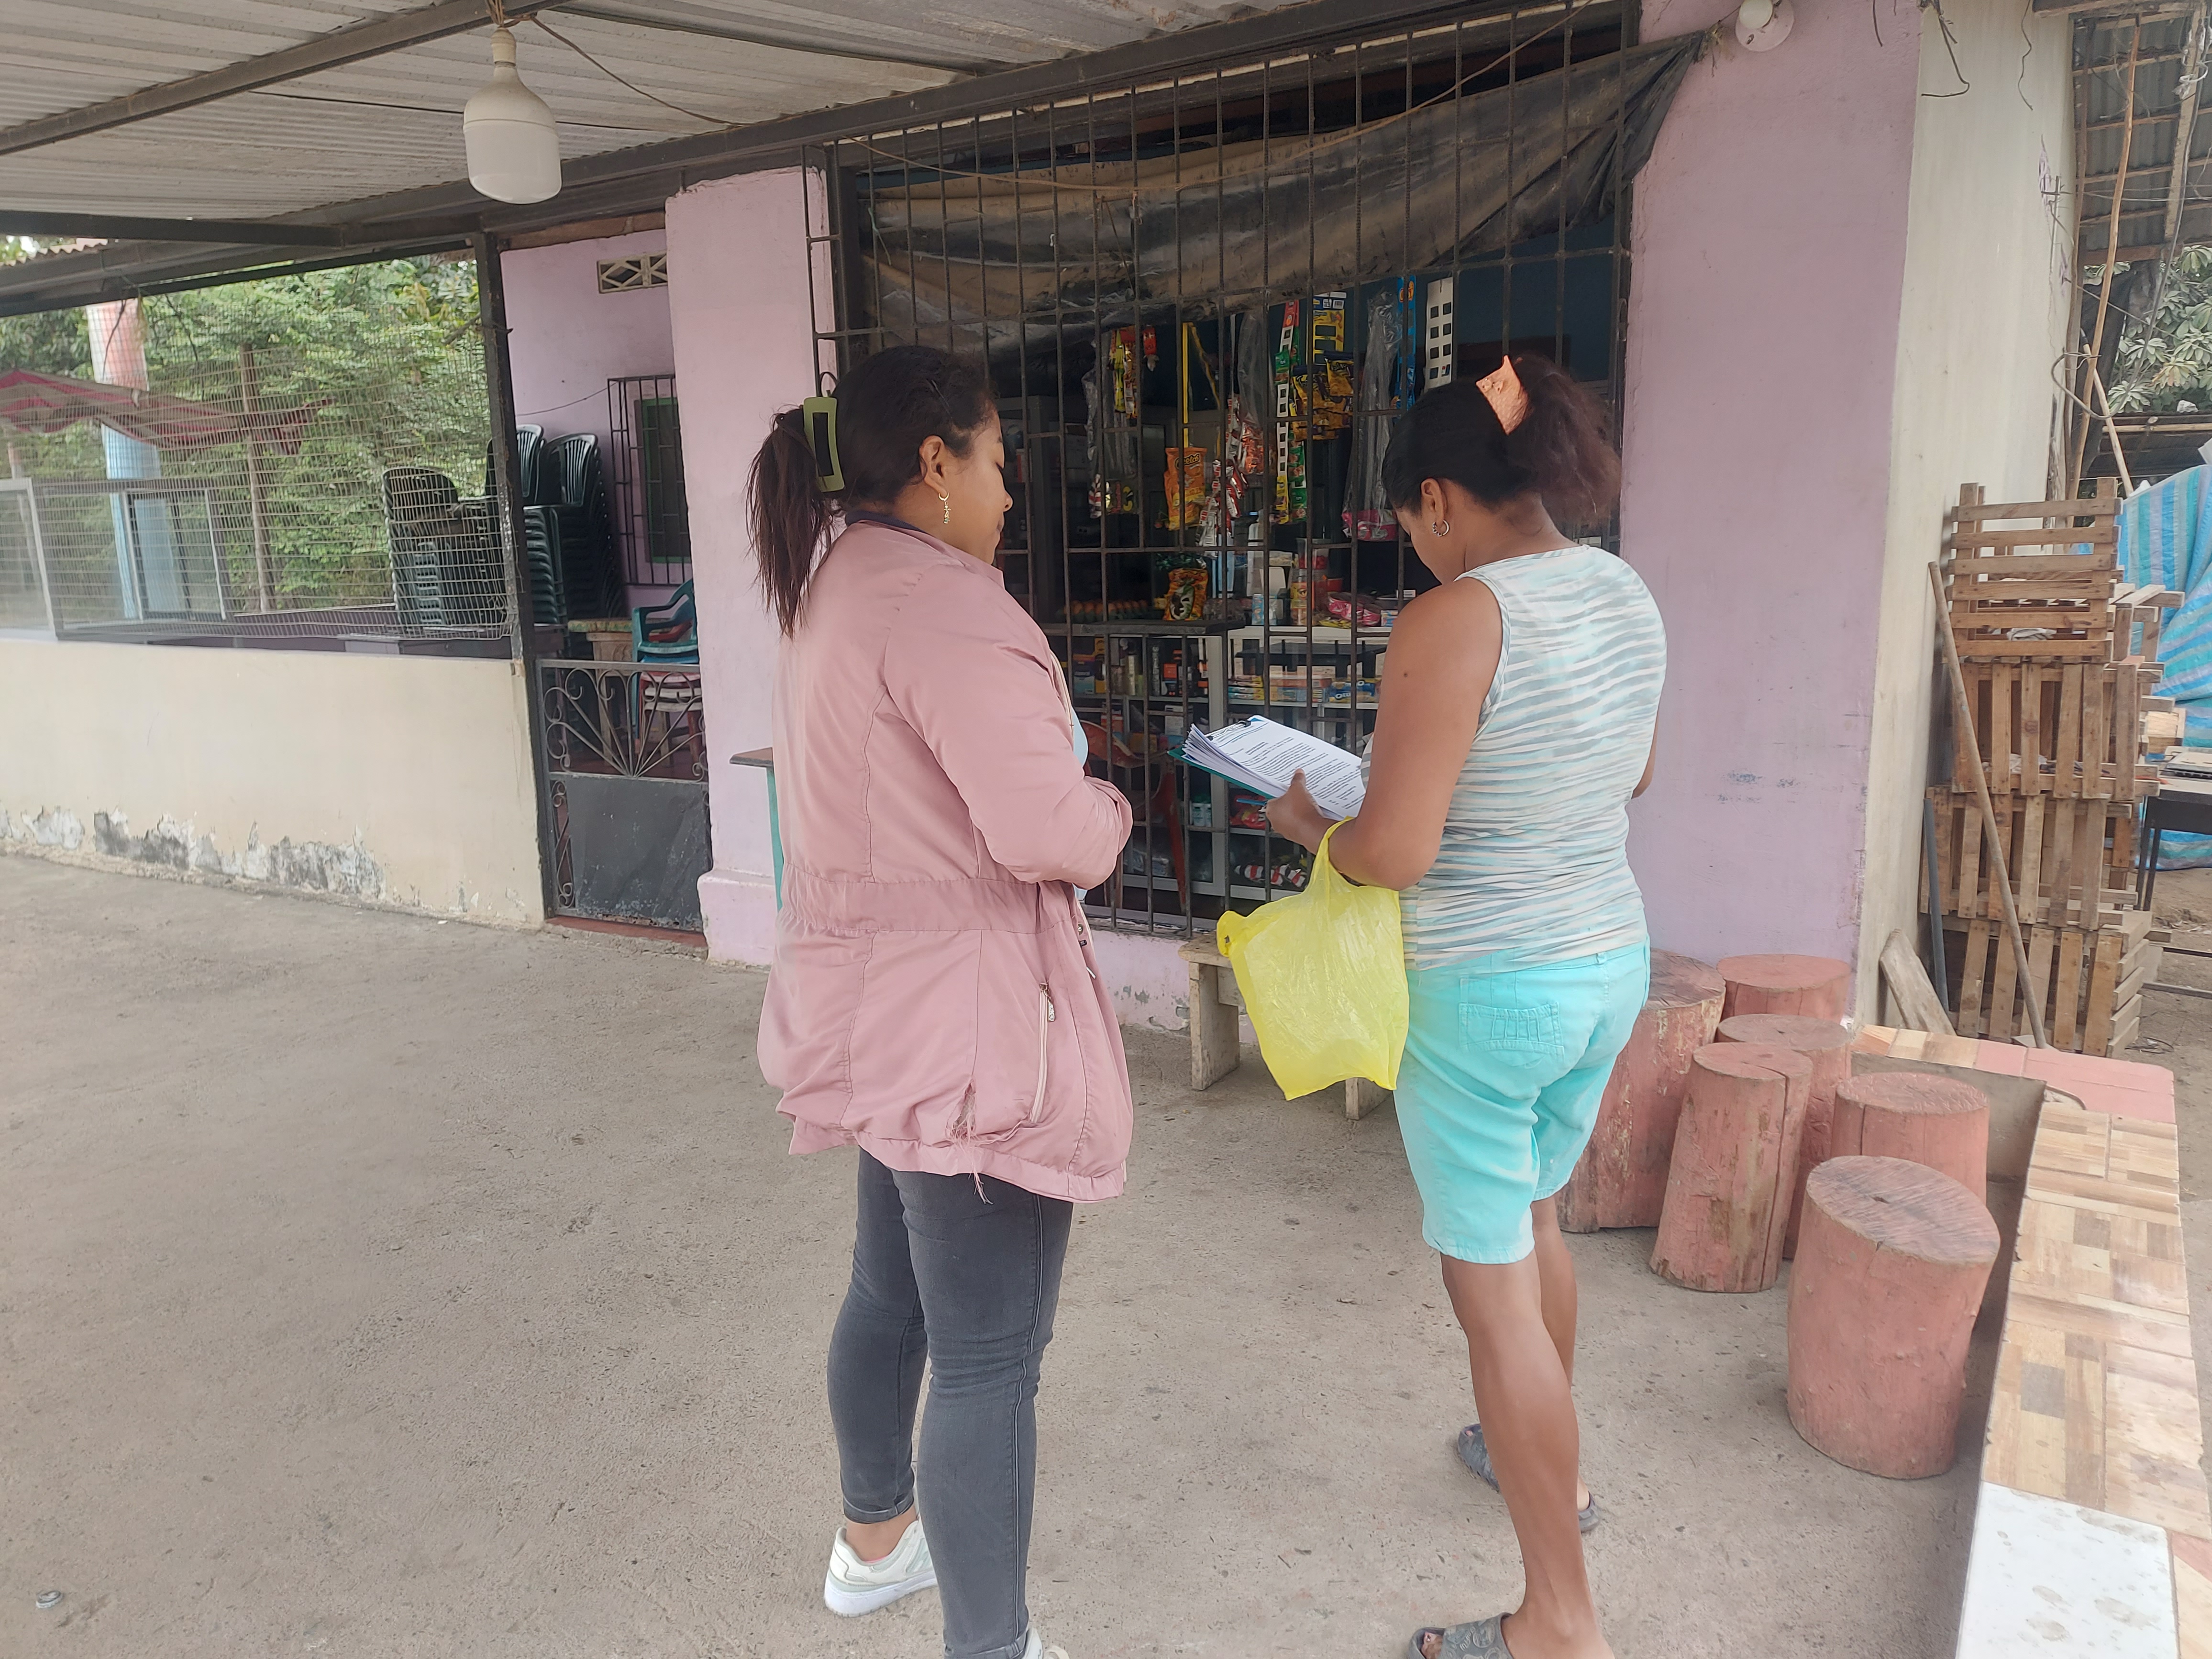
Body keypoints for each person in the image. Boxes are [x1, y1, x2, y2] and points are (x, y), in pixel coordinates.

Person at [1267, 355, 1663, 1659]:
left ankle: (1560, 1619)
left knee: (1489, 1294)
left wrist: (1314, 827)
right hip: (1605, 964)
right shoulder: (1625, 592)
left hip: (1488, 996)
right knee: (1533, 1217)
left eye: (1411, 523)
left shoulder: (1457, 618)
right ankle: (1546, 1465)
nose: (1418, 548)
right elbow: (1631, 774)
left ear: (1436, 498)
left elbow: (1395, 850)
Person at [749, 343, 1134, 1659]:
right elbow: (1046, 829)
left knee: (892, 1296)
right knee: (987, 1360)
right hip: (965, 1036)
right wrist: (1107, 802)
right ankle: (994, 1646)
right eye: (1000, 463)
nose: (1012, 493)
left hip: (873, 1014)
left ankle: (874, 1544)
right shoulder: (948, 606)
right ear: (937, 463)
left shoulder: (835, 582)